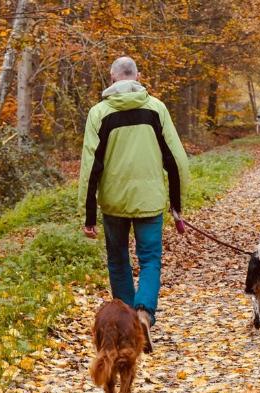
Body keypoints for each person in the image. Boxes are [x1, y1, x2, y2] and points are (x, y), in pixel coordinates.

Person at [79, 56, 190, 353]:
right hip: (149, 201)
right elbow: (175, 159)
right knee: (151, 259)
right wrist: (177, 204)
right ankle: (144, 313)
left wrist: (89, 214)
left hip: (113, 202)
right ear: (138, 77)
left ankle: (128, 326)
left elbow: (91, 165)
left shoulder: (99, 113)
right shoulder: (156, 109)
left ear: (112, 78)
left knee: (118, 261)